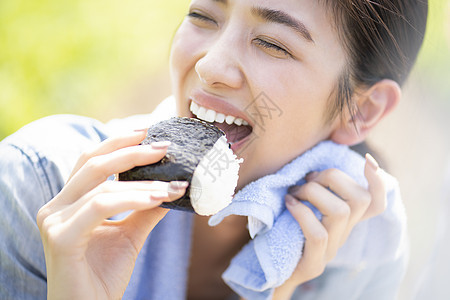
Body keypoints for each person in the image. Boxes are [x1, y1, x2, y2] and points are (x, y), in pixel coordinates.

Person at [0, 0, 427, 299]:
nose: (209, 66)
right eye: (203, 15)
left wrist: (276, 292)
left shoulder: (360, 255)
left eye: (274, 44)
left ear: (361, 110)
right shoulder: (39, 189)